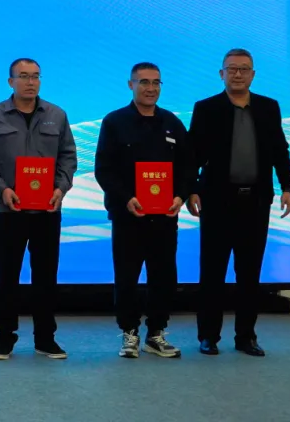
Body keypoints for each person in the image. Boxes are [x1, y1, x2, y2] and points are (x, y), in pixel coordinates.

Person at [187, 48, 290, 357]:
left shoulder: (268, 107)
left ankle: (246, 336)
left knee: (249, 273)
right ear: (221, 74)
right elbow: (193, 153)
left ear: (253, 75)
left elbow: (279, 149)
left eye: (244, 69)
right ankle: (208, 336)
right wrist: (191, 188)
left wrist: (287, 186)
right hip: (217, 202)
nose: (237, 74)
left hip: (256, 202)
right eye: (232, 69)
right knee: (212, 272)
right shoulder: (206, 108)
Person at [0, 58, 77, 361]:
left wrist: (60, 188)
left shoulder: (56, 115)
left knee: (46, 278)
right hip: (9, 210)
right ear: (11, 82)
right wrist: (2, 189)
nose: (30, 82)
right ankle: (4, 338)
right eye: (23, 76)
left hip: (47, 210)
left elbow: (68, 157)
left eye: (35, 76)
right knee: (7, 277)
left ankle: (45, 339)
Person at [94, 62, 193, 359]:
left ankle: (156, 333)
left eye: (156, 82)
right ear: (131, 85)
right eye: (144, 82)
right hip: (128, 216)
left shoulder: (172, 122)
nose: (151, 88)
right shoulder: (114, 121)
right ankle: (129, 333)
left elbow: (188, 166)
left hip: (165, 217)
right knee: (126, 277)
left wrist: (180, 195)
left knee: (164, 278)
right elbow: (104, 169)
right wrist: (126, 198)